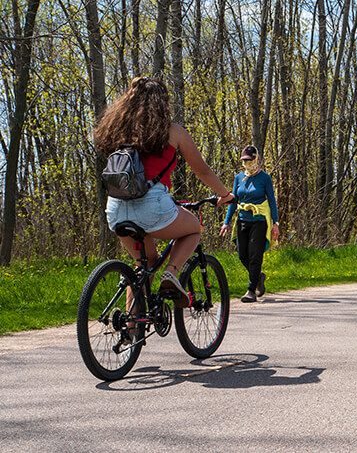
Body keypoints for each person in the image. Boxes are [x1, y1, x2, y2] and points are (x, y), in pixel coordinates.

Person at [94, 76, 235, 322]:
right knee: (193, 229)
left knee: (143, 264)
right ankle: (171, 273)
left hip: (115, 208)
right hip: (153, 206)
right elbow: (202, 170)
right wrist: (224, 194)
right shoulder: (172, 131)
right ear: (163, 104)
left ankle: (129, 325)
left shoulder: (117, 130)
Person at [220, 145, 279, 303]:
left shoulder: (265, 178)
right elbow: (233, 201)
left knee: (255, 256)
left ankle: (251, 289)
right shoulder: (239, 178)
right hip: (242, 220)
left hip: (259, 221)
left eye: (249, 160)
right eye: (244, 160)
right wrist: (226, 222)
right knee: (242, 254)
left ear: (256, 159)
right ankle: (258, 276)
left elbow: (272, 201)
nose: (247, 163)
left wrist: (275, 223)